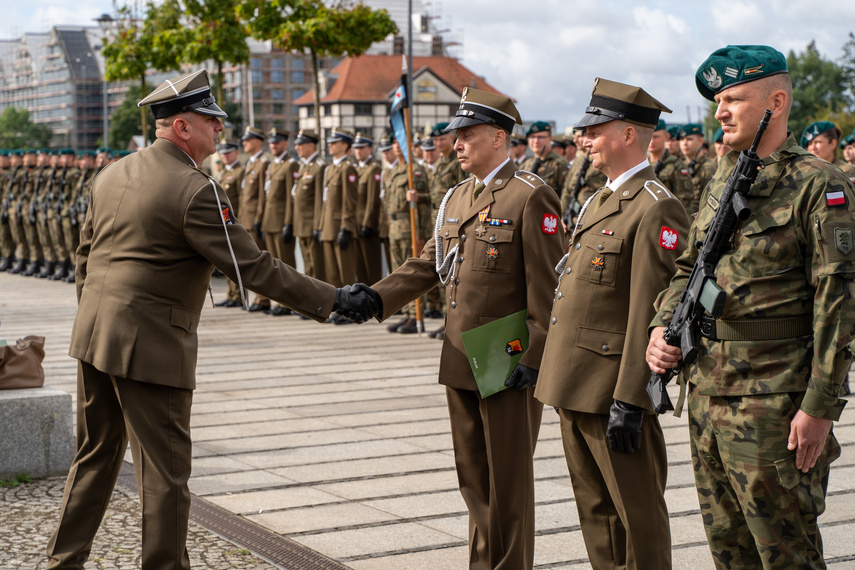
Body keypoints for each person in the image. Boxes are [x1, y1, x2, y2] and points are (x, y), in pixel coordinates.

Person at [45, 69, 377, 570]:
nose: (221, 130)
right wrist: (333, 298)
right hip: (150, 347)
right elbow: (254, 268)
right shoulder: (196, 188)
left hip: (94, 337)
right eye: (211, 120)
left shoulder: (112, 172)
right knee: (164, 471)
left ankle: (61, 562)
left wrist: (96, 317)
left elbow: (84, 258)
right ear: (181, 127)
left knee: (94, 456)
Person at [646, 45, 855, 569]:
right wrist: (661, 325)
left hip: (774, 405)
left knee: (785, 556)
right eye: (718, 100)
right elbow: (690, 265)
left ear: (776, 101)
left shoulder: (819, 184)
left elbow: (840, 304)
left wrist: (819, 407)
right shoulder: (724, 176)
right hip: (709, 394)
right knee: (729, 553)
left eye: (734, 99)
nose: (719, 111)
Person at [347, 87, 566, 569]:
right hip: (461, 351)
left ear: (498, 136)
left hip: (505, 353)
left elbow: (550, 289)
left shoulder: (531, 195)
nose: (457, 143)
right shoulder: (457, 196)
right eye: (456, 135)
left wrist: (531, 354)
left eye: (467, 134)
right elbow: (432, 261)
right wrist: (378, 296)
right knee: (473, 479)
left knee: (506, 481)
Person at [535, 78, 688, 570]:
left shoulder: (655, 205)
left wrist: (632, 396)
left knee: (636, 517)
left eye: (594, 130)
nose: (583, 139)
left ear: (626, 135)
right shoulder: (600, 199)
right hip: (572, 381)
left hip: (611, 393)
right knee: (596, 516)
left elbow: (651, 310)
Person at [383, 135, 431, 335]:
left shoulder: (415, 170)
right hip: (394, 227)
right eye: (394, 144)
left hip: (409, 226)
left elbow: (423, 205)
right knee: (397, 272)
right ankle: (407, 312)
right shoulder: (392, 171)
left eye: (399, 143)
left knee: (410, 272)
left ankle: (416, 313)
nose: (396, 147)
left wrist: (420, 234)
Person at [262, 127, 300, 316]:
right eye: (271, 143)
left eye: (277, 142)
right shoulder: (273, 165)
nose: (274, 145)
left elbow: (289, 198)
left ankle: (290, 302)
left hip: (281, 222)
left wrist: (288, 223)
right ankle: (279, 301)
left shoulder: (290, 164)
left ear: (285, 144)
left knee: (286, 265)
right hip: (270, 221)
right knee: (273, 265)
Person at [319, 129, 359, 308]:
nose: (330, 145)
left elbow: (350, 202)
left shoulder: (347, 168)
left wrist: (346, 227)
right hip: (328, 228)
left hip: (340, 227)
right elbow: (326, 201)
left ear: (345, 146)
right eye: (330, 142)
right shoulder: (331, 168)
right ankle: (338, 308)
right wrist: (320, 226)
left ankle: (349, 307)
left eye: (334, 142)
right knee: (332, 273)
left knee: (345, 274)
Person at [239, 125, 271, 312]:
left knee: (259, 261)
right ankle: (259, 298)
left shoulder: (263, 163)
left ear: (258, 141)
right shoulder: (251, 163)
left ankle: (264, 299)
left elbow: (261, 195)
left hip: (254, 220)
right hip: (246, 219)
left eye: (248, 139)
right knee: (252, 261)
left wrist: (259, 218)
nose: (244, 142)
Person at [213, 140, 245, 307]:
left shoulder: (240, 172)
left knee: (237, 261)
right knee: (228, 261)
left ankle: (239, 295)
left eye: (228, 153)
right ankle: (231, 294)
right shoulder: (225, 172)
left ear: (236, 153)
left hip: (234, 223)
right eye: (223, 153)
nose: (224, 156)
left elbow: (242, 200)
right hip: (224, 223)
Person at [293, 130, 326, 285]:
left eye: (301, 144)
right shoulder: (304, 166)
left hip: (312, 224)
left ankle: (319, 301)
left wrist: (318, 225)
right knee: (308, 265)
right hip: (301, 224)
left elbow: (320, 200)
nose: (297, 148)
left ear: (311, 145)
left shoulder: (319, 167)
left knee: (316, 266)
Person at [351, 132, 384, 284]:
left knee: (371, 268)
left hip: (367, 226)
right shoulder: (356, 169)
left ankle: (375, 303)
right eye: (356, 148)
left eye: (361, 148)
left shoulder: (373, 169)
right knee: (360, 268)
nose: (358, 151)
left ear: (370, 149)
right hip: (355, 225)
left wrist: (367, 223)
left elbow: (373, 200)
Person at [648, 120, 693, 211]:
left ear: (666, 137)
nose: (652, 141)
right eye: (649, 136)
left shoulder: (677, 166)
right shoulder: (641, 164)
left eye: (656, 137)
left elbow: (684, 205)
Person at [520, 121, 568, 193]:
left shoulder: (560, 163)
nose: (536, 141)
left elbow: (566, 194)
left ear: (550, 138)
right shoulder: (524, 166)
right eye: (532, 137)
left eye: (540, 137)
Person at [679, 123, 717, 214]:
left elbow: (710, 202)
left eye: (689, 139)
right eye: (681, 139)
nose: (684, 143)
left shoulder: (708, 167)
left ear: (700, 141)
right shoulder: (680, 165)